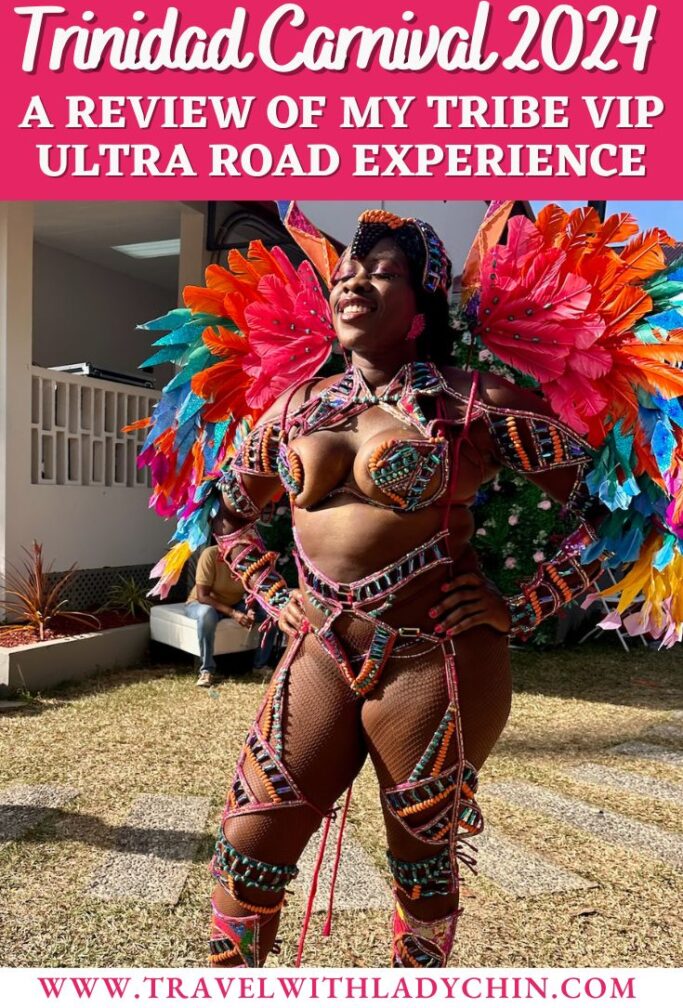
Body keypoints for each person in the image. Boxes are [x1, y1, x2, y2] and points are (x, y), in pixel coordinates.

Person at [206, 209, 608, 968]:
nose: (355, 281)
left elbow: (620, 518)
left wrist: (518, 604)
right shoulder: (293, 409)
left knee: (419, 862)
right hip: (318, 651)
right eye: (346, 274)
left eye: (382, 271)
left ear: (421, 308)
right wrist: (270, 592)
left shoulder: (474, 402)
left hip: (436, 658)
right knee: (249, 843)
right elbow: (226, 517)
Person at [185, 544, 275, 687]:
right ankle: (206, 670)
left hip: (234, 602)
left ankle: (260, 665)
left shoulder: (248, 558)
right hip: (203, 603)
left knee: (271, 614)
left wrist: (251, 609)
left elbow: (253, 590)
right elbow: (203, 597)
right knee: (207, 614)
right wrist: (234, 613)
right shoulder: (210, 554)